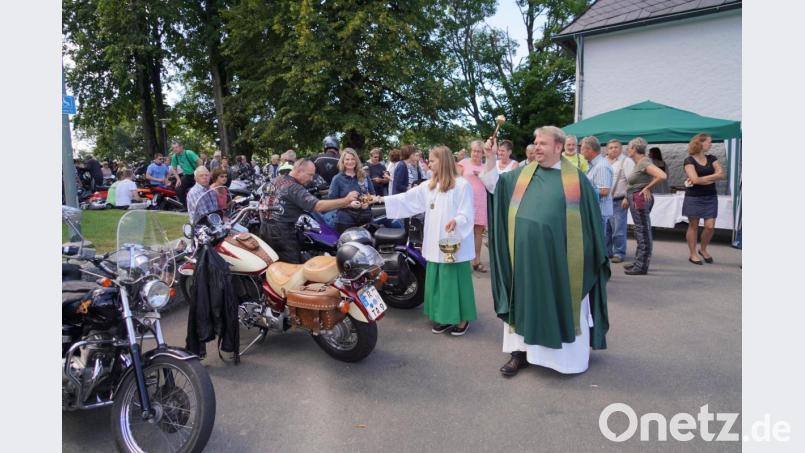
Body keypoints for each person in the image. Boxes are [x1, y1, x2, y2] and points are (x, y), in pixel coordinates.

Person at [481, 126, 610, 376]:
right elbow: (493, 185)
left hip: (560, 263)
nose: (536, 147)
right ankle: (520, 354)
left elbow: (590, 224)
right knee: (523, 302)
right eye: (535, 142)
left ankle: (565, 361)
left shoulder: (576, 180)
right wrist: (490, 157)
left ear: (558, 147)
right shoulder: (522, 175)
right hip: (525, 260)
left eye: (542, 143)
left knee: (558, 301)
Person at [371, 146, 476, 336]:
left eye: (432, 160)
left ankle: (461, 319)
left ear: (443, 162)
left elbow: (467, 211)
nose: (427, 163)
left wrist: (457, 220)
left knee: (453, 281)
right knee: (438, 280)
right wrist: (380, 199)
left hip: (452, 242)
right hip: (435, 239)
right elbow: (406, 199)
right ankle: (443, 317)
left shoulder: (461, 185)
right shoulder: (430, 185)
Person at [261, 159, 359, 263]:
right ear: (299, 171)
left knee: (273, 266)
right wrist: (346, 200)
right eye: (310, 175)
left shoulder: (275, 180)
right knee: (291, 270)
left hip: (265, 231)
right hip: (283, 235)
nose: (311, 179)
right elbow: (318, 206)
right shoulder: (294, 187)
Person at [623, 137, 667, 275]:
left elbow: (662, 175)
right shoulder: (641, 162)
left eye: (629, 148)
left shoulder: (644, 162)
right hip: (637, 197)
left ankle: (641, 266)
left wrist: (647, 187)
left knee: (642, 231)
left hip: (639, 198)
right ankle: (638, 262)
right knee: (640, 230)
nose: (627, 150)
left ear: (635, 149)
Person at [682, 133, 723, 265]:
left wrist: (701, 180)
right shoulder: (689, 160)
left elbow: (721, 174)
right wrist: (711, 177)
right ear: (700, 143)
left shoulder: (712, 158)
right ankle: (693, 254)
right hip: (693, 197)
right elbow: (694, 180)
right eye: (709, 142)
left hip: (710, 196)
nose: (711, 144)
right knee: (693, 225)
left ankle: (703, 249)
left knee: (710, 226)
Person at [457, 140, 488, 273]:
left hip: (480, 200)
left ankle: (476, 261)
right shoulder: (463, 163)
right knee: (463, 229)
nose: (475, 153)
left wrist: (482, 175)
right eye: (474, 150)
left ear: (483, 153)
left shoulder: (486, 166)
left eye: (478, 151)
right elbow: (455, 179)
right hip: (465, 200)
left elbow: (491, 184)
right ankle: (462, 260)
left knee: (478, 231)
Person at [328, 148, 376, 233]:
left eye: (353, 159)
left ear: (356, 160)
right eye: (347, 159)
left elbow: (373, 195)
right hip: (345, 221)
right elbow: (332, 202)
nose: (350, 162)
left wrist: (366, 202)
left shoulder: (364, 176)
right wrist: (349, 205)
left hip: (365, 219)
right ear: (342, 161)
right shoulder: (337, 179)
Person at [605, 139, 634, 263]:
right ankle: (607, 252)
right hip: (604, 201)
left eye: (616, 147)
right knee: (605, 229)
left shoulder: (626, 161)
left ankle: (619, 253)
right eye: (611, 147)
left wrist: (627, 197)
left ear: (621, 148)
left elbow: (632, 181)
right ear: (607, 149)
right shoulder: (603, 161)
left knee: (618, 229)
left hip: (619, 200)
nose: (613, 149)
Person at [580, 136, 613, 237]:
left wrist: (582, 191)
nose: (580, 152)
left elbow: (604, 191)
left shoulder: (601, 166)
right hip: (595, 211)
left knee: (598, 242)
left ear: (589, 150)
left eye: (582, 149)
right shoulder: (594, 164)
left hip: (599, 212)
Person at [169, 139, 200, 208]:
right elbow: (174, 169)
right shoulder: (175, 156)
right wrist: (178, 179)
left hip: (197, 174)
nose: (174, 149)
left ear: (181, 147)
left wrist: (197, 173)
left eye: (176, 147)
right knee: (178, 188)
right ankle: (186, 207)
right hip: (187, 175)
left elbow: (200, 162)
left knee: (199, 189)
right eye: (173, 148)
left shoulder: (189, 153)